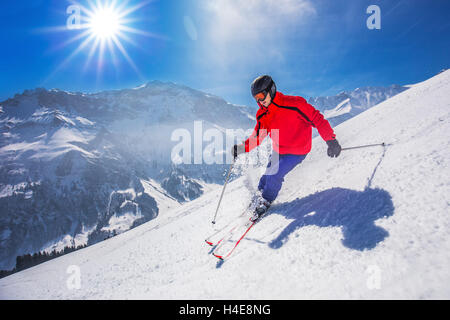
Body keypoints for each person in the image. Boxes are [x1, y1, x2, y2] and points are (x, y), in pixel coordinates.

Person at [232, 75, 342, 221]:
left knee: (274, 175)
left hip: (297, 150)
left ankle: (265, 200)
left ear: (270, 90)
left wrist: (331, 140)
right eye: (255, 98)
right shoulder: (263, 115)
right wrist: (241, 148)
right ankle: (258, 197)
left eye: (260, 96)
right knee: (265, 178)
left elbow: (317, 119)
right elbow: (256, 137)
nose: (259, 101)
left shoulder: (294, 104)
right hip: (279, 149)